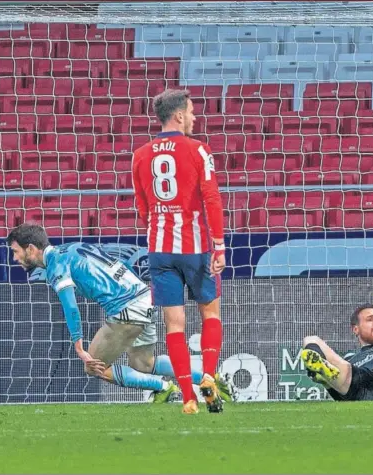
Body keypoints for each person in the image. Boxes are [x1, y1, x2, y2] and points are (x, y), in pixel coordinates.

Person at [132, 88, 226, 414]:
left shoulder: (141, 154)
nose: (195, 117)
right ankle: (209, 377)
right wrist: (219, 244)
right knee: (210, 314)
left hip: (159, 250)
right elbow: (212, 198)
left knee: (175, 326)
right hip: (196, 247)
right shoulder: (199, 149)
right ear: (179, 116)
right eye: (192, 111)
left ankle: (187, 398)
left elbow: (142, 208)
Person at [7, 224, 178, 403]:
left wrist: (79, 347)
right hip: (145, 297)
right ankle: (207, 375)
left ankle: (164, 388)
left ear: (31, 249)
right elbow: (123, 263)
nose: (14, 257)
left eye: (16, 251)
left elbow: (71, 306)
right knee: (145, 364)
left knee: (94, 367)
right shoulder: (71, 247)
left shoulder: (55, 265)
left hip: (128, 307)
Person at [301, 293, 373, 401]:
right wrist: (327, 383)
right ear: (356, 329)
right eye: (370, 319)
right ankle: (322, 369)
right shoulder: (350, 357)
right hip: (361, 388)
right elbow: (340, 395)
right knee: (310, 339)